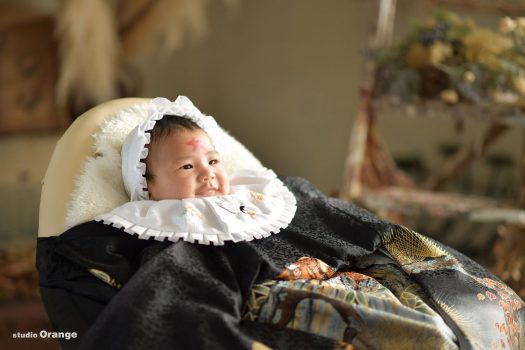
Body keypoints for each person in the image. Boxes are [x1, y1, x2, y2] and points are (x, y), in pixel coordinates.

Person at [37, 97, 525, 350]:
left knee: (475, 305)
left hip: (348, 274)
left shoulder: (270, 197)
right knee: (419, 337)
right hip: (297, 295)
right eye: (187, 168)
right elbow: (174, 306)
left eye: (212, 160)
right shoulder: (173, 236)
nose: (207, 173)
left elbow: (346, 224)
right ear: (151, 188)